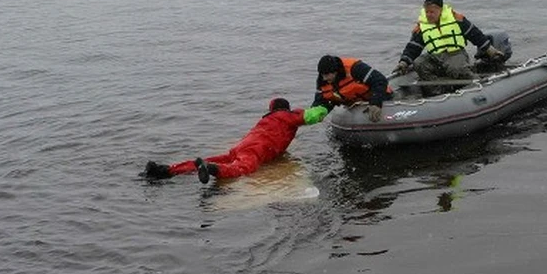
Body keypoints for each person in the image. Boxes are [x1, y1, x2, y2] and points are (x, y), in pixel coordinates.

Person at [139, 98, 328, 184]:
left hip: (241, 146)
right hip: (257, 149)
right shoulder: (287, 116)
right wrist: (325, 105)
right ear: (285, 109)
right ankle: (214, 170)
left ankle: (166, 171)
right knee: (243, 169)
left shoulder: (265, 119)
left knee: (224, 157)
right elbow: (311, 116)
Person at [395, 0, 505, 82]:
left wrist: (491, 51)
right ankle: (437, 90)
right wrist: (403, 62)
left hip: (456, 54)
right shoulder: (422, 26)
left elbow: (475, 35)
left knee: (455, 69)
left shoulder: (457, 19)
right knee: (419, 64)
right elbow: (413, 47)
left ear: (440, 10)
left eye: (432, 11)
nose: (429, 14)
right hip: (436, 58)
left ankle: (477, 83)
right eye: (427, 11)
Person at [313, 55, 392, 122]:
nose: (324, 78)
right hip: (355, 105)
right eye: (322, 75)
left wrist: (375, 103)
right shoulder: (322, 81)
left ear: (335, 71)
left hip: (379, 98)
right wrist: (313, 115)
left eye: (327, 74)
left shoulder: (355, 68)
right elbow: (321, 101)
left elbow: (380, 80)